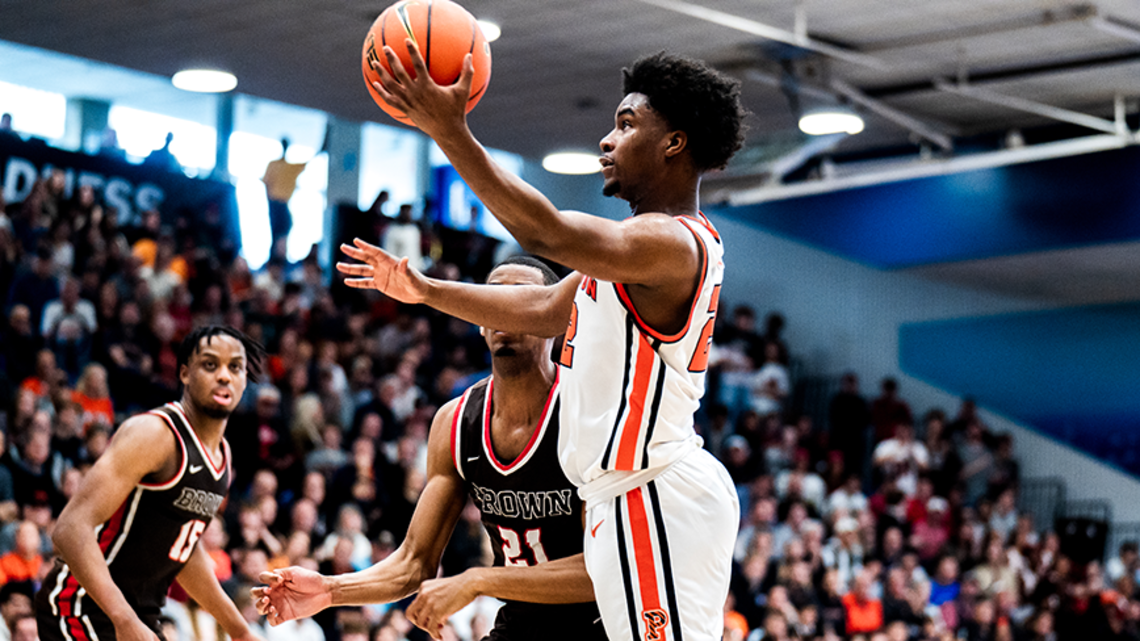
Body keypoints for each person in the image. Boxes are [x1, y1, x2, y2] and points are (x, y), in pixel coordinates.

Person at [343, 45, 745, 641]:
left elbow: (543, 232)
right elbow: (541, 308)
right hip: (626, 493)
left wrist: (449, 131)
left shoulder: (666, 241)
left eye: (627, 123)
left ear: (674, 143)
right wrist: (424, 290)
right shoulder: (624, 256)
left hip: (654, 490)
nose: (607, 140)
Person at [253, 257, 604, 641]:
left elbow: (604, 569)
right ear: (480, 320)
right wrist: (331, 590)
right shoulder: (455, 423)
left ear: (555, 319)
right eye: (493, 299)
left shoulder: (589, 411)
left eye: (522, 297)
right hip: (519, 625)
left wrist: (478, 580)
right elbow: (413, 563)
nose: (505, 309)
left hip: (601, 625)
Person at [35, 326, 266, 641]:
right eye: (211, 365)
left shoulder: (222, 456)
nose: (224, 376)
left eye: (234, 367)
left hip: (140, 615)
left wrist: (239, 630)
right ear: (184, 373)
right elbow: (70, 528)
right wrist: (124, 619)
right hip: (84, 607)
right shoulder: (155, 434)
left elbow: (182, 547)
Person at [262, 138, 308, 256]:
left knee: (283, 233)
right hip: (275, 205)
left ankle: (279, 260)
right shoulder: (273, 165)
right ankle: (275, 260)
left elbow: (310, 160)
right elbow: (266, 184)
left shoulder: (290, 167)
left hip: (281, 204)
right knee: (278, 234)